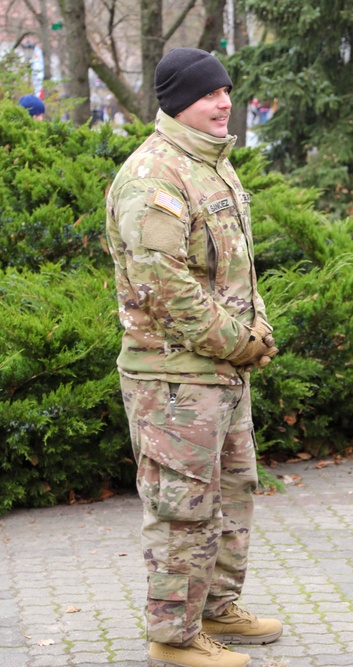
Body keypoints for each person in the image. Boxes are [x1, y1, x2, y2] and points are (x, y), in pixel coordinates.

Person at [105, 47, 281, 667]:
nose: (225, 102)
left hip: (220, 373)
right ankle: (172, 639)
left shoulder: (213, 167)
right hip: (175, 380)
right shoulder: (155, 175)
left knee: (233, 492)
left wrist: (256, 324)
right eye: (212, 94)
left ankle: (216, 610)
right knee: (183, 506)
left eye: (228, 91)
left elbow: (238, 267)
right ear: (179, 100)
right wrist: (240, 341)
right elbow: (165, 285)